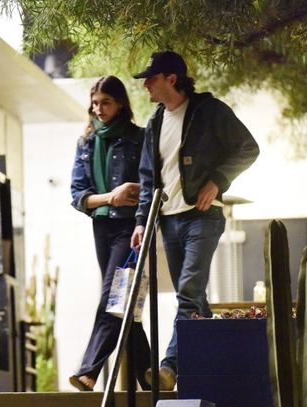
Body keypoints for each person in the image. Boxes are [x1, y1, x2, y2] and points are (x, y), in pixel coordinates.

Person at [131, 51, 260, 390]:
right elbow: (148, 178)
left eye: (151, 78)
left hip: (202, 217)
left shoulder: (209, 111)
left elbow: (248, 148)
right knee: (196, 299)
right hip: (168, 221)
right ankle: (210, 366)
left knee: (188, 291)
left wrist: (217, 180)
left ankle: (170, 367)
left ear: (171, 79)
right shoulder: (154, 123)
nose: (145, 85)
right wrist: (141, 222)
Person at [70, 75, 151, 391]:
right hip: (101, 227)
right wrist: (111, 196)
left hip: (131, 228)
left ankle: (89, 371)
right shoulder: (86, 143)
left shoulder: (140, 138)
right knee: (125, 305)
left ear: (120, 104)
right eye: (94, 103)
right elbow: (78, 195)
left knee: (114, 296)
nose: (98, 109)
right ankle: (148, 378)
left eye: (105, 102)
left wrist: (134, 193)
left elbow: (154, 184)